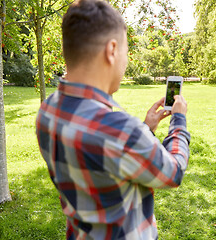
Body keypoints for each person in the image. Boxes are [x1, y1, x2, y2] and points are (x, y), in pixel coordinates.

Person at [35, 0, 190, 239]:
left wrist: (146, 129)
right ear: (111, 50)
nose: (125, 62)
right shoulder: (120, 130)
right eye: (126, 52)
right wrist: (178, 120)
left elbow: (107, 161)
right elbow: (173, 172)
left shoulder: (48, 110)